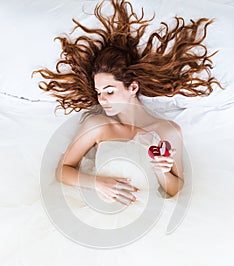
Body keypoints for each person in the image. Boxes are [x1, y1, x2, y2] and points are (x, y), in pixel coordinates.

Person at [33, 0, 221, 207]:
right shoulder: (98, 125)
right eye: (99, 92)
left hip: (149, 211)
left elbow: (175, 190)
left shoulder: (167, 131)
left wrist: (161, 169)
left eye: (110, 91)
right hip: (98, 208)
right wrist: (97, 183)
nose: (102, 99)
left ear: (132, 88)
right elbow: (62, 170)